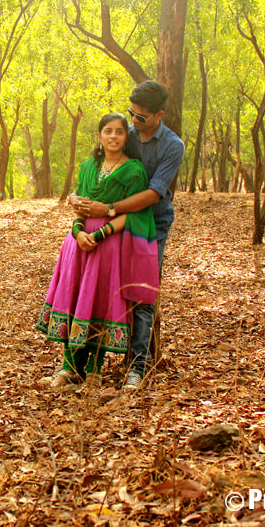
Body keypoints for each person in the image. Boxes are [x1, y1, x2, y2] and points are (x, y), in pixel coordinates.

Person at [71, 80, 184, 390]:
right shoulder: (125, 132)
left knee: (142, 293)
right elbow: (95, 171)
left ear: (160, 114)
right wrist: (77, 199)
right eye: (130, 113)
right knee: (104, 288)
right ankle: (85, 363)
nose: (133, 121)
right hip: (114, 223)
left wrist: (108, 209)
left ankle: (137, 366)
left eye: (141, 117)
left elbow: (153, 194)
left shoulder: (172, 146)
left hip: (151, 225)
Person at [35, 112, 161, 388]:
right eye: (108, 131)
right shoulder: (87, 166)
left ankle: (93, 370)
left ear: (126, 137)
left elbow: (136, 212)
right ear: (100, 135)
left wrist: (100, 233)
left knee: (99, 301)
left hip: (109, 244)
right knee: (73, 298)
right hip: (77, 245)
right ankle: (68, 369)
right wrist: (79, 232)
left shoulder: (134, 171)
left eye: (119, 132)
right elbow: (79, 202)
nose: (113, 136)